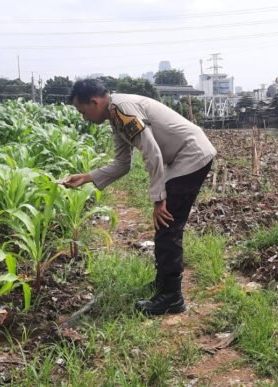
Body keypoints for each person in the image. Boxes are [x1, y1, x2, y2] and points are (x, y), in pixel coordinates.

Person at [61, 79, 216, 316]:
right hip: (183, 156)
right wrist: (86, 177)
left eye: (83, 112)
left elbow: (152, 152)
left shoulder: (122, 109)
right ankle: (164, 285)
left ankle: (172, 298)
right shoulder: (115, 117)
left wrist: (159, 200)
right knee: (166, 226)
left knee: (168, 225)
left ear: (94, 102)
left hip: (191, 155)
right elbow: (122, 164)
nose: (84, 118)